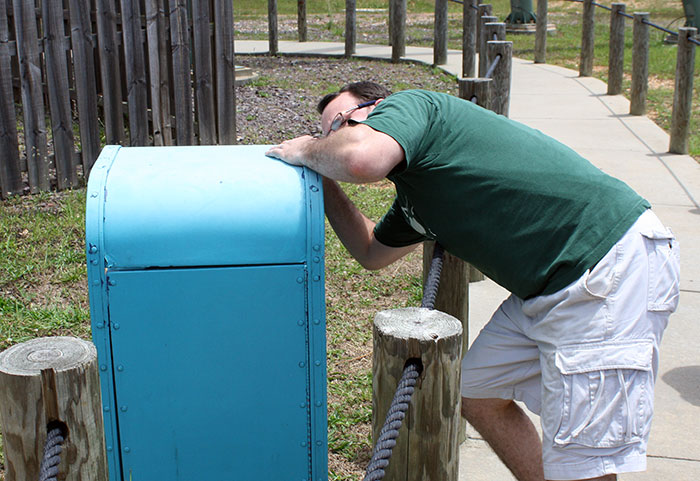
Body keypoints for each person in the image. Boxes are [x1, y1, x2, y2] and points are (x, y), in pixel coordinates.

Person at [265, 81, 680, 481]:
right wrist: (323, 175)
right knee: (478, 392)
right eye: (326, 136)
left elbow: (361, 159)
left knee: (583, 463)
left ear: (375, 107)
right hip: (549, 288)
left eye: (340, 124)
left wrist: (306, 149)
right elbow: (372, 252)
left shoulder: (412, 105)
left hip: (602, 267)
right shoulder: (416, 197)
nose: (333, 139)